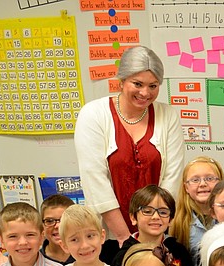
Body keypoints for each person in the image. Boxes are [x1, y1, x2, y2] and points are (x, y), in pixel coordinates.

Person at [75, 45, 185, 246]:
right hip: (108, 235)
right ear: (122, 80)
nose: (145, 93)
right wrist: (125, 239)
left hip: (156, 233)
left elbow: (172, 178)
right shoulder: (93, 114)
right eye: (137, 83)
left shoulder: (168, 115)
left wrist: (152, 235)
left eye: (153, 86)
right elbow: (95, 179)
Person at [111, 184, 197, 266]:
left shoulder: (179, 251)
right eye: (147, 211)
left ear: (171, 219)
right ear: (133, 217)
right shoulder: (124, 256)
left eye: (163, 212)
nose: (156, 217)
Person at [169, 156, 224, 261]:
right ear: (186, 187)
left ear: (220, 183)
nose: (203, 184)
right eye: (195, 180)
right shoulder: (176, 224)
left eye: (210, 178)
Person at [39, 194, 75, 265]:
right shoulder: (35, 260)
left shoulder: (86, 253)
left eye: (63, 220)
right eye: (49, 221)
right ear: (42, 225)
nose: (57, 226)